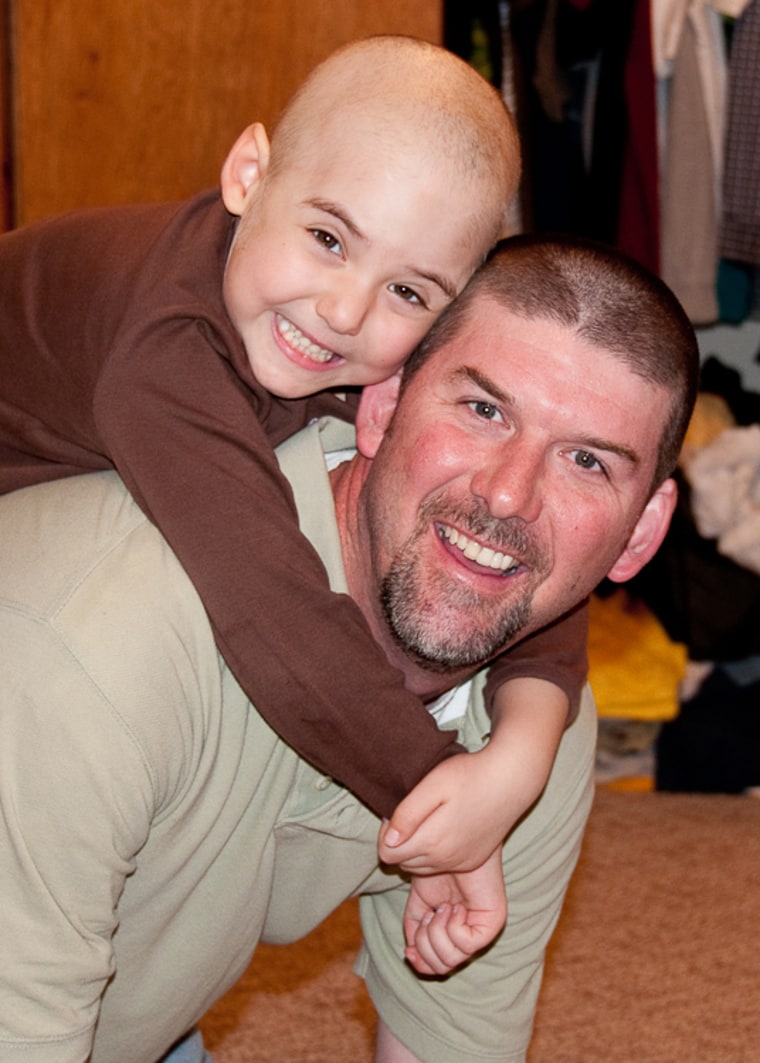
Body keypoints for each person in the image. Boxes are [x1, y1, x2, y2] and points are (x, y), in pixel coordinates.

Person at [0, 235, 700, 1063]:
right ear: (380, 404)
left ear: (643, 531)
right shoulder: (101, 644)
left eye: (586, 461)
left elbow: (452, 1045)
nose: (509, 492)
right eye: (483, 410)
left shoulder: (522, 734)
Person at [0, 35, 590, 876]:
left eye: (409, 290)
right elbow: (270, 611)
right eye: (328, 238)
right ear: (248, 174)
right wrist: (441, 794)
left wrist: (526, 743)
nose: (346, 311)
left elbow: (515, 529)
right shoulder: (164, 351)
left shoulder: (339, 338)